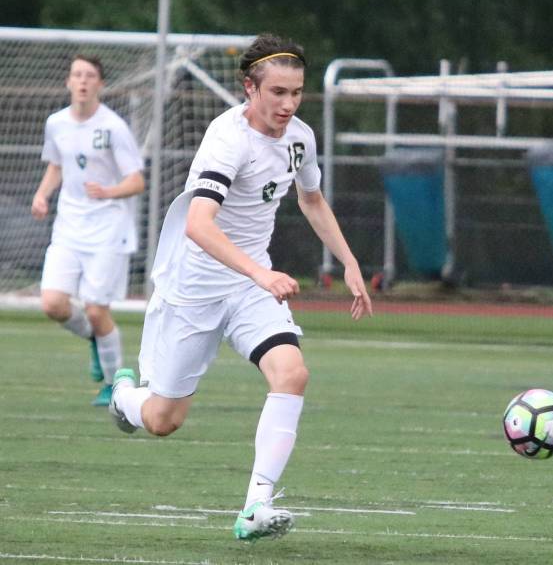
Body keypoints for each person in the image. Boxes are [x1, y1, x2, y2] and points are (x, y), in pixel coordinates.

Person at [108, 34, 373, 540]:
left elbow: (311, 199)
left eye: (296, 92)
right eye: (277, 92)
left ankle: (256, 505)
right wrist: (260, 273)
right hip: (194, 290)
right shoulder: (227, 139)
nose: (288, 104)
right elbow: (198, 225)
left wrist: (349, 261)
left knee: (292, 373)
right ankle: (124, 397)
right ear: (250, 88)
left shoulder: (300, 138)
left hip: (251, 289)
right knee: (163, 419)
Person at [32, 54, 145, 407]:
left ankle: (114, 386)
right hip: (68, 226)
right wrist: (41, 195)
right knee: (53, 303)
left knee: (97, 311)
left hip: (107, 229)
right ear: (68, 81)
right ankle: (96, 338)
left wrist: (108, 191)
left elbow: (136, 181)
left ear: (100, 84)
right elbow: (56, 165)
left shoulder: (113, 127)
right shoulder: (56, 123)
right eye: (77, 75)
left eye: (90, 76)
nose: (82, 81)